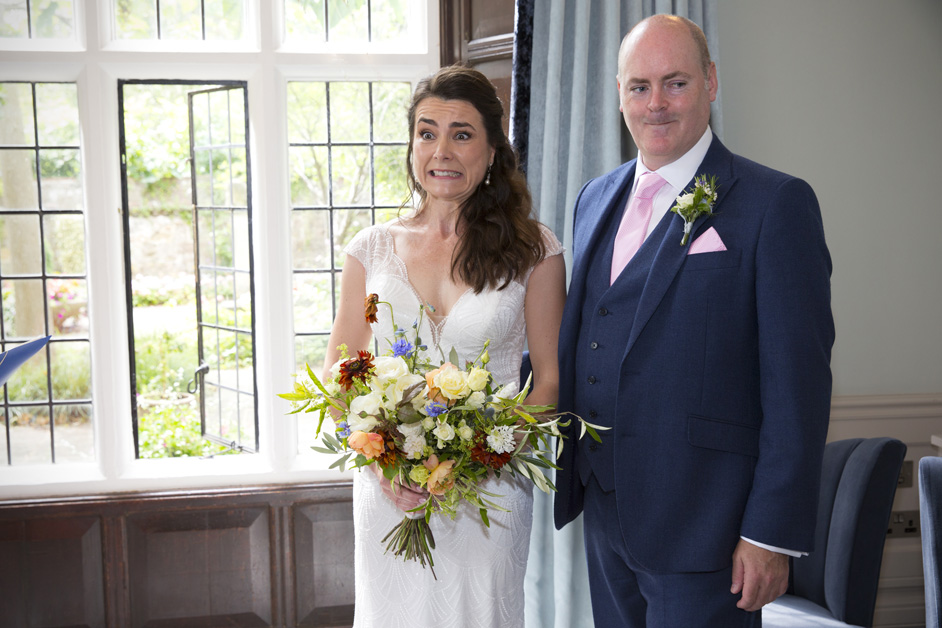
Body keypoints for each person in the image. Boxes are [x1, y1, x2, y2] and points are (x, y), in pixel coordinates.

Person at [553, 15, 834, 628]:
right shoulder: (594, 197)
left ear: (711, 82)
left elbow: (798, 386)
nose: (655, 104)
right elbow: (584, 338)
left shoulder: (774, 204)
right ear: (619, 94)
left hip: (711, 529)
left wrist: (770, 534)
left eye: (674, 83)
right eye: (638, 86)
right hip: (605, 512)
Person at [322, 65, 567, 627]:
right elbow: (341, 367)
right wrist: (381, 460)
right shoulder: (371, 249)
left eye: (462, 133)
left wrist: (471, 461)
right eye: (427, 132)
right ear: (411, 144)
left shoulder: (535, 252)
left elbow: (547, 381)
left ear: (492, 148)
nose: (441, 150)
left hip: (488, 496)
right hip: (390, 493)